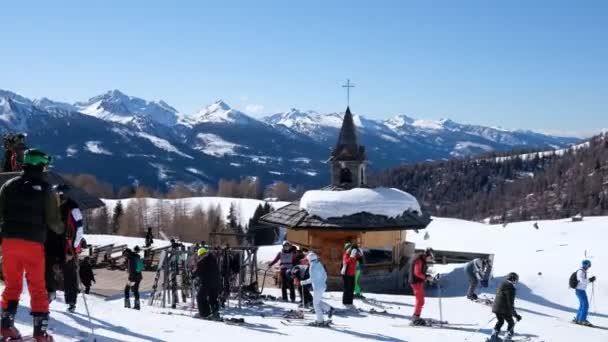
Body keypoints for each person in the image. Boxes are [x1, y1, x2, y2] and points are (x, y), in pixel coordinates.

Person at [0, 148, 64, 341]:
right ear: (41, 166)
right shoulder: (46, 190)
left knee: (12, 285)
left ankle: (6, 327)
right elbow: (54, 222)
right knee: (37, 287)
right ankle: (40, 333)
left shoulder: (8, 186)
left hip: (9, 242)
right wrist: (64, 232)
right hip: (33, 244)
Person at [57, 188, 85, 312]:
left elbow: (79, 229)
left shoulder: (73, 208)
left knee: (70, 276)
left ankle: (71, 302)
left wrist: (73, 248)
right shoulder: (60, 207)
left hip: (68, 247)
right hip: (61, 246)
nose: (59, 196)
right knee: (67, 275)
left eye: (60, 194)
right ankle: (55, 296)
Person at [301, 252, 334, 326]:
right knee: (317, 301)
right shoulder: (319, 264)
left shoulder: (312, 266)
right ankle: (329, 309)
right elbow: (325, 275)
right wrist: (322, 281)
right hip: (322, 286)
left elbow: (312, 279)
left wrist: (303, 282)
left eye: (307, 259)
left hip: (318, 287)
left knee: (315, 304)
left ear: (310, 259)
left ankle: (320, 321)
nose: (307, 261)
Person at [490, 272, 522, 341]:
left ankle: (493, 336)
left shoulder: (502, 284)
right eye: (516, 280)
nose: (516, 282)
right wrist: (516, 315)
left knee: (500, 321)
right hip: (504, 309)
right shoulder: (511, 288)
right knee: (511, 323)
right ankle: (507, 338)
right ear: (513, 280)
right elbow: (510, 304)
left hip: (496, 308)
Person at [408, 248, 435, 326]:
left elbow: (420, 272)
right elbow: (417, 273)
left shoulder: (421, 259)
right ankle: (415, 318)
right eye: (430, 257)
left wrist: (427, 276)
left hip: (418, 282)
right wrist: (426, 277)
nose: (430, 259)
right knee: (420, 301)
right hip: (416, 282)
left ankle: (416, 316)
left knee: (420, 300)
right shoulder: (419, 260)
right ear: (427, 255)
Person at [195, 247, 221, 320]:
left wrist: (193, 274)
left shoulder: (201, 262)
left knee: (200, 297)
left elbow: (197, 272)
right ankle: (214, 314)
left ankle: (203, 313)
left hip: (206, 283)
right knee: (213, 298)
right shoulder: (213, 259)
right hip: (216, 283)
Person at [573, 259, 596, 326]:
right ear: (585, 265)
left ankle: (578, 318)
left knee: (582, 305)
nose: (589, 267)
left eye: (589, 265)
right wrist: (590, 280)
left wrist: (590, 280)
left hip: (581, 290)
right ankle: (582, 320)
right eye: (588, 265)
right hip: (580, 290)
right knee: (585, 305)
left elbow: (583, 281)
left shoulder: (583, 271)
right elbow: (581, 280)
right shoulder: (581, 271)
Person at [341, 242, 361, 308]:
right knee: (347, 288)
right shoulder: (346, 255)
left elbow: (360, 256)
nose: (351, 250)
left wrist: (357, 251)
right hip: (346, 274)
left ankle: (350, 302)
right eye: (350, 249)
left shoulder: (354, 255)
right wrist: (352, 256)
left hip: (352, 274)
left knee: (351, 288)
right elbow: (346, 262)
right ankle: (345, 302)